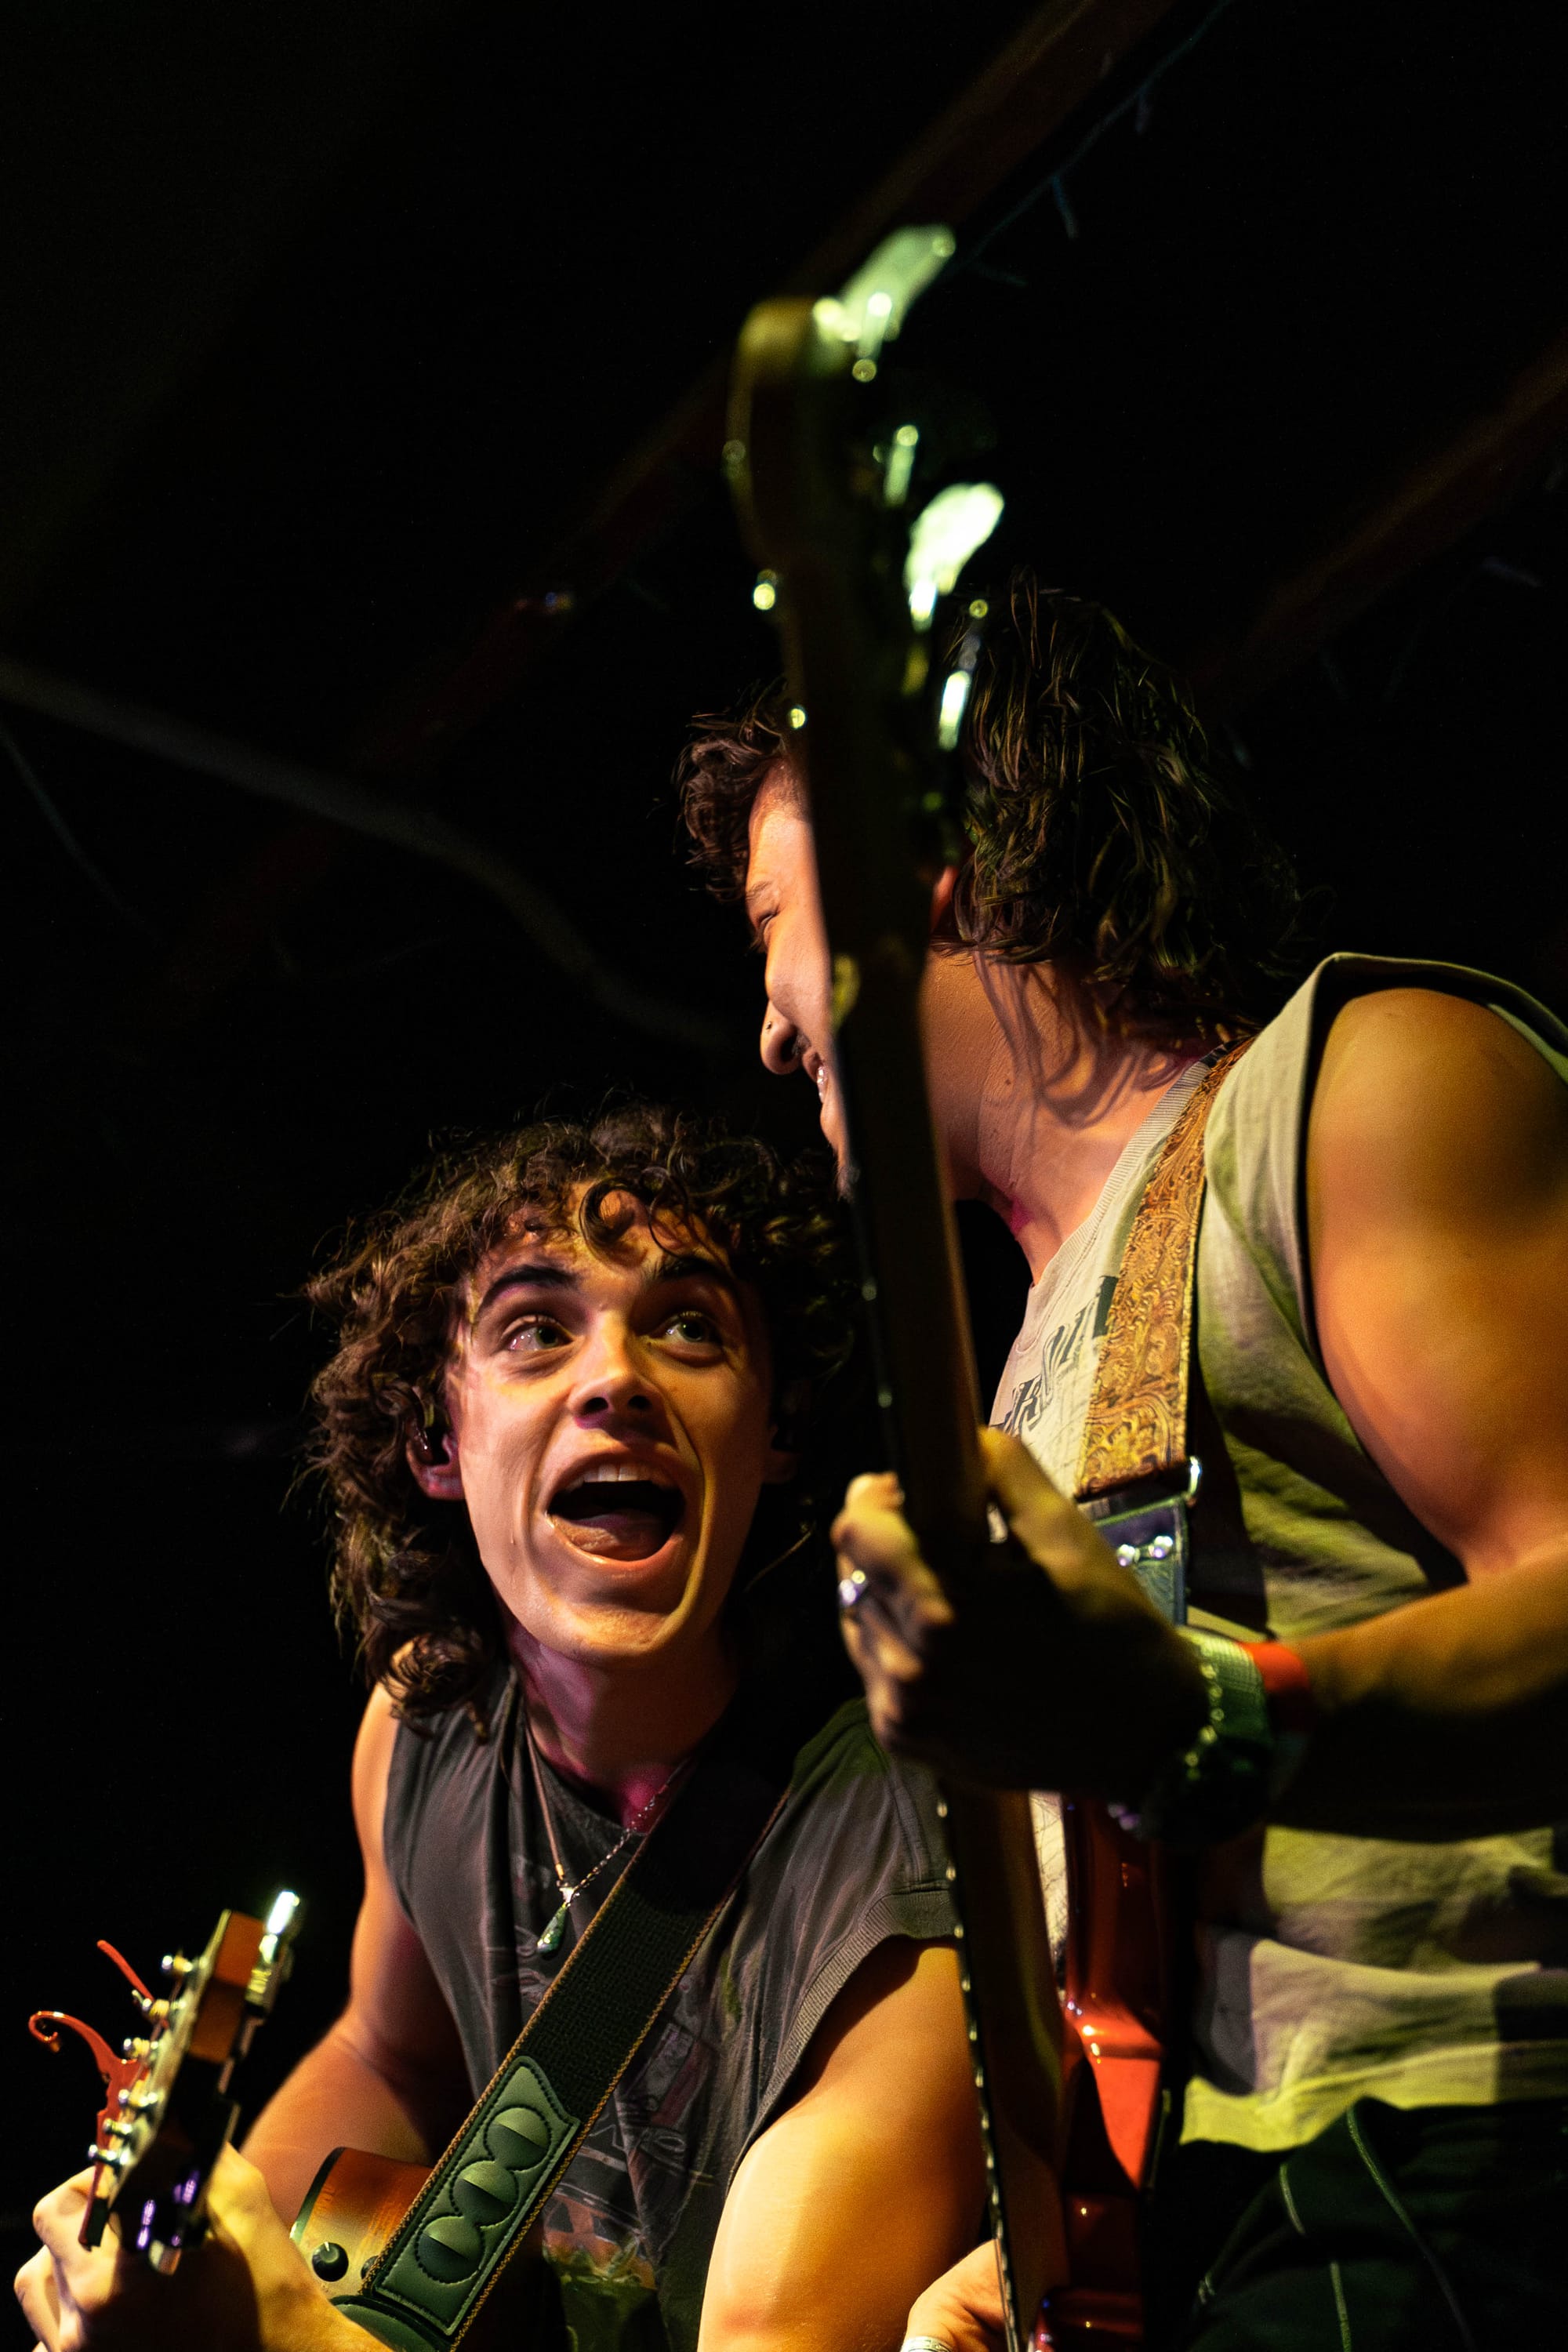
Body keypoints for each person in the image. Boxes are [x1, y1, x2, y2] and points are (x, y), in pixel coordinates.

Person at [678, 575, 1568, 2346]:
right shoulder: (1017, 1382)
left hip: (1440, 2159)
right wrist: (1042, 2244)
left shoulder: (1353, 1083)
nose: (769, 1028)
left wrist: (1200, 1719)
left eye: (773, 921)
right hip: (1207, 2239)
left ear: (921, 866)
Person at [17, 1108, 985, 2352]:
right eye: (535, 1331)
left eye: (690, 1326)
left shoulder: (908, 1848)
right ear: (437, 1439)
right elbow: (391, 2056)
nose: (618, 1378)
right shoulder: (426, 1729)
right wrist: (202, 2256)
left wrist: (279, 2341)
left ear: (779, 1429)